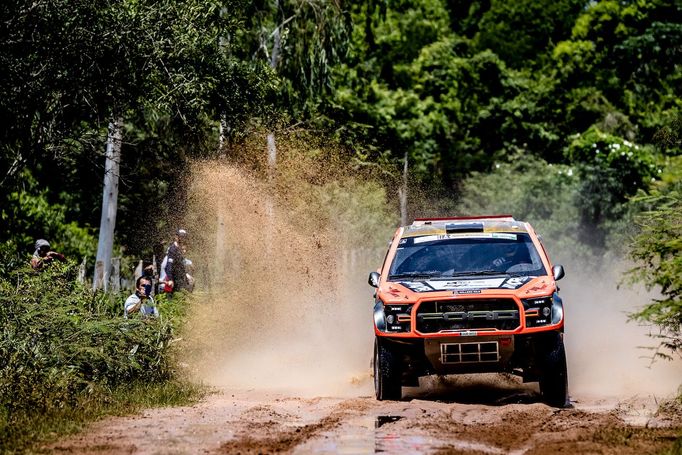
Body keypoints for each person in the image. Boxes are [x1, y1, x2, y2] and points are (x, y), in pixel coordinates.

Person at [163, 228, 189, 294]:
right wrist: (170, 279)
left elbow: (181, 265)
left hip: (180, 278)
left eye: (184, 237)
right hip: (174, 279)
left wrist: (185, 276)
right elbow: (169, 266)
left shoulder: (180, 249)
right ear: (176, 237)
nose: (183, 239)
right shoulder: (173, 249)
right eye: (181, 237)